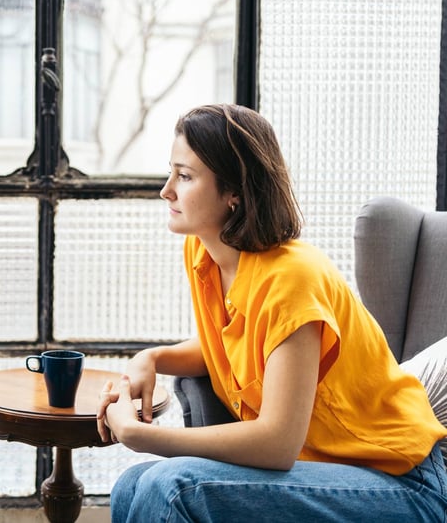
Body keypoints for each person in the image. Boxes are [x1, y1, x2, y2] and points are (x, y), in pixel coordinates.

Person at [96, 104, 447, 522]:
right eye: (171, 172)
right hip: (320, 473)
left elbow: (277, 444)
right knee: (130, 487)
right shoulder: (205, 254)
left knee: (169, 488)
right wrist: (150, 358)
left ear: (235, 193)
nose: (166, 190)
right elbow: (235, 348)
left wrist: (142, 434)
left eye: (185, 176)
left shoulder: (293, 278)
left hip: (400, 484)